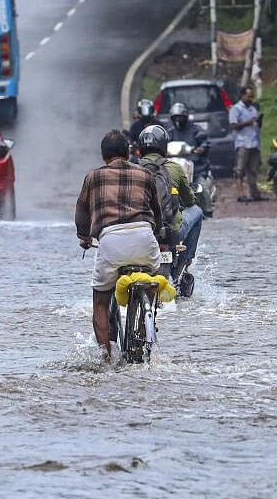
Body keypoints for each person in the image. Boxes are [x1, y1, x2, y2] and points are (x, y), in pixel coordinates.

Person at [75, 130, 162, 360]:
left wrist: (84, 236)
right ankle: (143, 331)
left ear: (104, 155)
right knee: (151, 283)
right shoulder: (145, 175)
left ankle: (105, 358)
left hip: (111, 242)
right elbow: (157, 214)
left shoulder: (93, 177)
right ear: (129, 152)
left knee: (101, 302)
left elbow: (82, 212)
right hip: (144, 237)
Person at [138, 124, 202, 292]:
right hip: (171, 231)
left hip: (141, 231)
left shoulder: (132, 169)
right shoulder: (174, 168)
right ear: (163, 145)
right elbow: (189, 200)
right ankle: (186, 262)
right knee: (198, 212)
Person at [228, 85, 266, 202]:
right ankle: (241, 194)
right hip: (242, 143)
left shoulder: (253, 109)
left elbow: (256, 125)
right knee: (240, 170)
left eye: (252, 97)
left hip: (254, 143)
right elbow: (233, 125)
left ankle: (255, 194)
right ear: (242, 95)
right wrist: (248, 122)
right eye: (248, 96)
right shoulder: (236, 109)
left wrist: (258, 122)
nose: (250, 99)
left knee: (253, 170)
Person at [164, 102, 210, 178]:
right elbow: (164, 144)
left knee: (201, 187)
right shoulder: (170, 132)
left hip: (196, 167)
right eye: (175, 117)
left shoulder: (196, 129)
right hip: (174, 166)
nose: (177, 120)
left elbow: (204, 141)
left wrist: (201, 148)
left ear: (186, 117)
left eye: (180, 117)